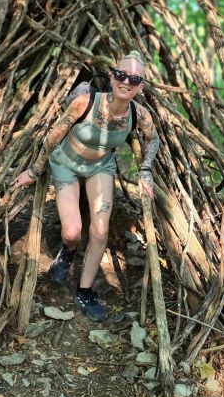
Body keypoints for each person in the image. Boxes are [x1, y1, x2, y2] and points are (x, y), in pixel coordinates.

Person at [10, 51, 159, 321]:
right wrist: (35, 169)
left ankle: (85, 290)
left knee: (100, 231)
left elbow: (153, 140)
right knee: (72, 232)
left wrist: (145, 169)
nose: (126, 81)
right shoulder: (84, 103)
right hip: (65, 163)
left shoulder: (140, 115)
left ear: (141, 86)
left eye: (134, 79)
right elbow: (54, 135)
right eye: (121, 75)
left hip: (100, 167)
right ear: (112, 76)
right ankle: (67, 253)